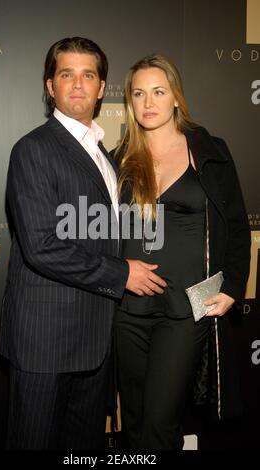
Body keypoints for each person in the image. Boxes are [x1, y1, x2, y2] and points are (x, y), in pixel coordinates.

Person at [0, 38, 166, 450]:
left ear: (101, 87)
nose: (77, 84)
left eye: (87, 75)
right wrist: (122, 272)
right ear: (51, 87)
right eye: (66, 74)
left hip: (96, 344)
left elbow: (102, 234)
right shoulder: (33, 149)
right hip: (45, 343)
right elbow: (41, 246)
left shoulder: (106, 155)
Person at [114, 53, 251, 450]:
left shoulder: (209, 150)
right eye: (139, 93)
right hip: (128, 310)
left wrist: (233, 286)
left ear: (176, 96)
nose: (148, 102)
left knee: (159, 426)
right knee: (135, 423)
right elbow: (102, 230)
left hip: (187, 308)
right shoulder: (120, 157)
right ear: (130, 101)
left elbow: (238, 225)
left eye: (158, 91)